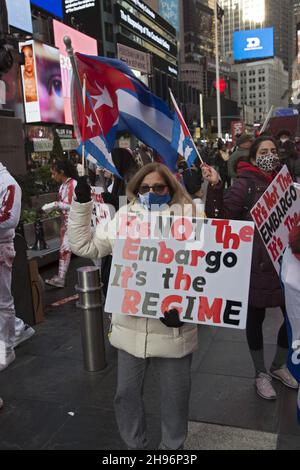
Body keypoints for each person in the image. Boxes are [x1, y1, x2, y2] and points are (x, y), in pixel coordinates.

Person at [68, 163, 198, 450]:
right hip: (129, 327)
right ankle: (134, 447)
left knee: (175, 400)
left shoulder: (191, 216)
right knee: (125, 395)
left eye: (158, 187)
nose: (151, 193)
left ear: (171, 188)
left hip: (173, 332)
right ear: (136, 191)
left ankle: (171, 449)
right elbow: (86, 247)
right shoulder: (125, 216)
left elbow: (205, 274)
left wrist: (187, 308)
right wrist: (81, 204)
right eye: (144, 189)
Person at [203, 136, 298, 400]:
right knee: (254, 320)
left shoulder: (285, 182)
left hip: (285, 263)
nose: (270, 155)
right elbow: (221, 218)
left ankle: (279, 365)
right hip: (255, 265)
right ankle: (260, 373)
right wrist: (215, 186)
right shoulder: (244, 185)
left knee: (293, 316)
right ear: (254, 158)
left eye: (273, 151)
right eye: (264, 151)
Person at [0, 162, 35, 372]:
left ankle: (7, 346)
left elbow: (9, 219)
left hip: (1, 249)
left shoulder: (8, 184)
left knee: (3, 301)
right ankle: (18, 330)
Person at [42, 159, 78, 288]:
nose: (53, 176)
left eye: (53, 173)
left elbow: (74, 205)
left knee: (89, 251)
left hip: (76, 224)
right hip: (67, 224)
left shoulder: (73, 184)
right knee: (64, 250)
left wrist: (54, 205)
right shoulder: (64, 185)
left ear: (61, 172)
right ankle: (60, 278)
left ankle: (101, 275)